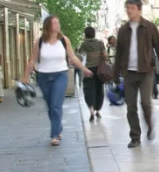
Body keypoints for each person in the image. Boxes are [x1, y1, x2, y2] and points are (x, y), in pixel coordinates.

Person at [21, 16, 93, 146]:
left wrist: (84, 69)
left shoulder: (64, 40)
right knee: (50, 105)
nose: (57, 24)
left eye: (58, 22)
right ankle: (58, 128)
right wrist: (26, 75)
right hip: (43, 77)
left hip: (60, 75)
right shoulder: (40, 42)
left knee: (55, 105)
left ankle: (55, 135)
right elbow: (33, 59)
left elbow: (73, 58)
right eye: (54, 22)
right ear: (48, 25)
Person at [113, 0, 159, 148]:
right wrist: (115, 74)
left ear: (139, 9)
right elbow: (118, 53)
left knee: (145, 102)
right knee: (131, 106)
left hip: (146, 72)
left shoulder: (149, 27)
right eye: (127, 8)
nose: (129, 11)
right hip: (129, 74)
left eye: (132, 8)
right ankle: (135, 137)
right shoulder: (123, 30)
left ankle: (150, 124)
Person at [78, 27, 109, 122]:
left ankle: (91, 110)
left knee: (89, 90)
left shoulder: (83, 44)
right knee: (99, 90)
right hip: (99, 70)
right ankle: (98, 111)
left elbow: (80, 57)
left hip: (88, 70)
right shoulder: (100, 43)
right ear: (94, 33)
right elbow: (105, 55)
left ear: (85, 34)